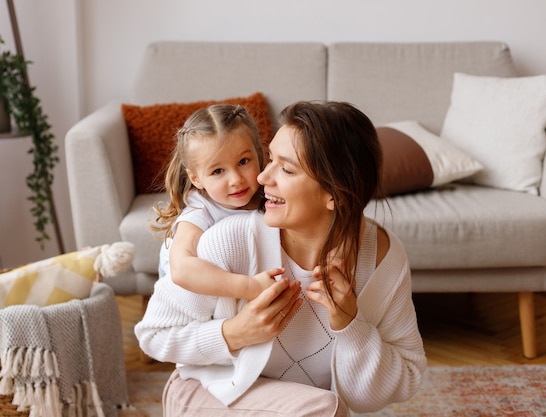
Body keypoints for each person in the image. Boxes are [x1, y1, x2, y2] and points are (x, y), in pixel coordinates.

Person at [135, 101, 427, 416]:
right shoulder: (228, 237)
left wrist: (350, 325)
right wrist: (235, 333)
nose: (261, 177)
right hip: (207, 393)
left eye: (286, 169)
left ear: (336, 195)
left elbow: (398, 382)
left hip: (307, 410)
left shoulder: (383, 255)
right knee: (325, 410)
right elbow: (154, 336)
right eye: (270, 159)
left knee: (325, 409)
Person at [151, 103, 279, 301]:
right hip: (186, 291)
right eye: (218, 171)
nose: (236, 179)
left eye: (244, 161)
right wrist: (249, 286)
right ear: (196, 179)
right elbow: (181, 270)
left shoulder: (267, 191)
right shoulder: (199, 210)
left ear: (258, 153)